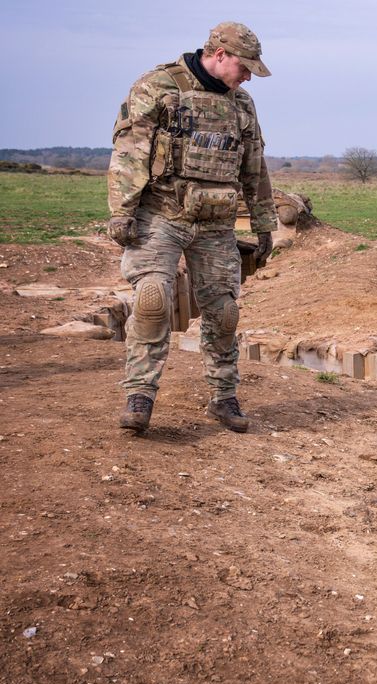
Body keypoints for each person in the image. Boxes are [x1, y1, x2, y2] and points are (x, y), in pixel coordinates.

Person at [107, 21, 278, 434]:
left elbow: (254, 165)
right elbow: (130, 153)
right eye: (244, 65)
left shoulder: (242, 105)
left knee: (224, 313)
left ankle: (223, 397)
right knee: (152, 301)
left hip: (216, 223)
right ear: (219, 55)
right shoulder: (157, 86)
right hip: (160, 215)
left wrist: (263, 222)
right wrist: (121, 211)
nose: (249, 74)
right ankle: (140, 396)